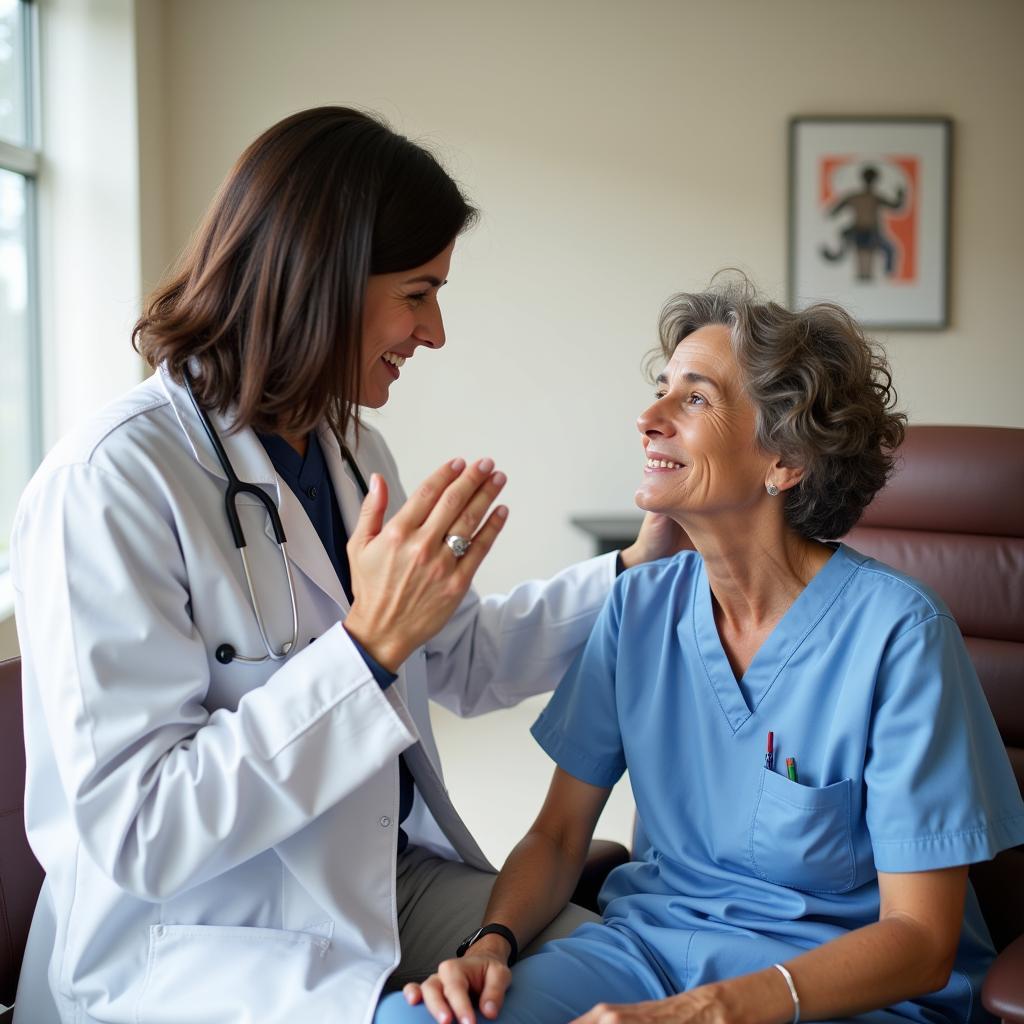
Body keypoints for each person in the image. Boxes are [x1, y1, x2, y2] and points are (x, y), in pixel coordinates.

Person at [8, 107, 679, 1024]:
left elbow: (462, 657)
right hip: (203, 937)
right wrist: (364, 651)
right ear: (320, 282)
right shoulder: (112, 483)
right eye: (417, 292)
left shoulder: (349, 451)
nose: (434, 331)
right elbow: (144, 832)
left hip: (366, 874)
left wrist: (640, 563)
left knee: (624, 975)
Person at [379, 278, 1024, 1024]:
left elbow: (919, 939)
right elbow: (558, 838)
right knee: (416, 1020)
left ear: (784, 461)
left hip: (835, 991)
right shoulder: (638, 606)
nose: (648, 419)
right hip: (648, 954)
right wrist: (489, 944)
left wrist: (717, 1009)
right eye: (660, 390)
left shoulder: (899, 635)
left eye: (694, 399)